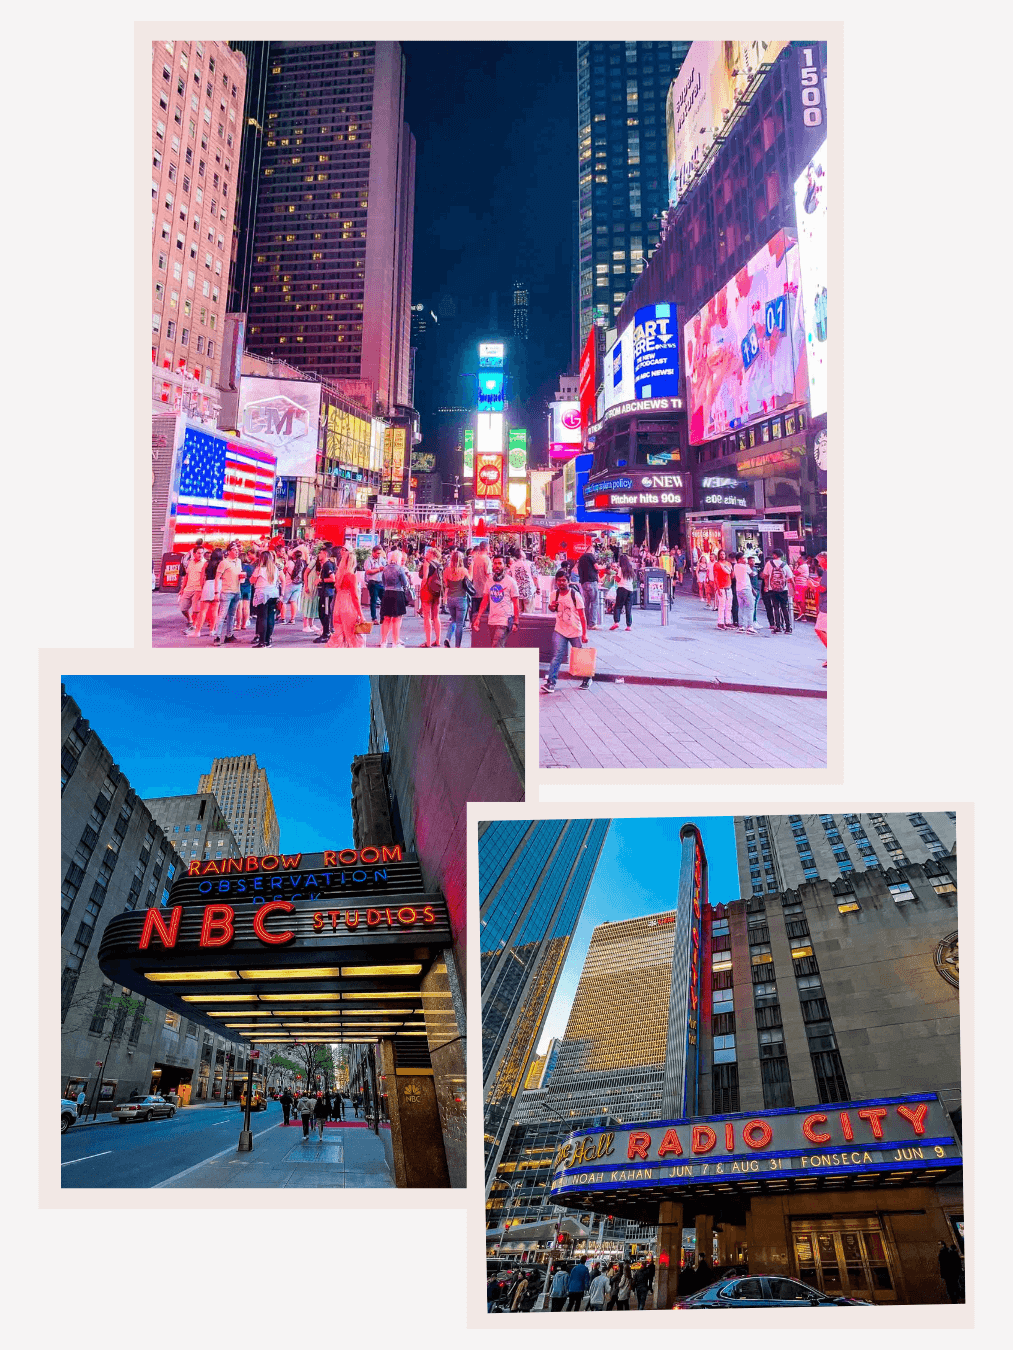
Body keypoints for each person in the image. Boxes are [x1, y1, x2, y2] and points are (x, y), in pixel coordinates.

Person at [542, 570, 590, 693]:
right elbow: (551, 608)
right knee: (556, 656)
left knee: (579, 656)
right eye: (559, 580)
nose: (561, 583)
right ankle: (550, 683)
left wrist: (585, 633)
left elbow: (582, 616)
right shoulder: (554, 594)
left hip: (575, 630)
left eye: (563, 580)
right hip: (560, 630)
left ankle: (587, 678)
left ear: (568, 581)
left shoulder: (575, 595)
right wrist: (551, 607)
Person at [473, 554, 520, 648]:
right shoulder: (489, 581)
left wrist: (516, 621)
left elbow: (515, 602)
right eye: (495, 563)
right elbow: (485, 600)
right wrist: (478, 617)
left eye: (499, 563)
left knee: (496, 646)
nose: (497, 566)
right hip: (492, 620)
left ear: (505, 566)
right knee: (497, 646)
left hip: (504, 621)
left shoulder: (510, 582)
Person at [326, 546, 367, 647]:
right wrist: (361, 615)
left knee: (339, 635)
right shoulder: (351, 576)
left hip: (338, 606)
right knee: (353, 637)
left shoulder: (339, 575)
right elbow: (355, 597)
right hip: (348, 606)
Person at [213, 541, 244, 645]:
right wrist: (216, 592)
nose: (237, 552)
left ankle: (229, 635)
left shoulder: (239, 561)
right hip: (226, 592)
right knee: (222, 615)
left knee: (232, 615)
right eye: (234, 550)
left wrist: (242, 577)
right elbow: (217, 577)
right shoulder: (224, 562)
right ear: (229, 551)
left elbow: (239, 574)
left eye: (237, 550)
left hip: (237, 591)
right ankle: (217, 636)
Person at [250, 550, 281, 648]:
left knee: (262, 617)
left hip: (262, 594)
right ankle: (268, 640)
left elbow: (252, 580)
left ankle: (262, 641)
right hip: (273, 594)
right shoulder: (275, 568)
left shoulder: (260, 569)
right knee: (270, 616)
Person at [379, 549, 410, 647]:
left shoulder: (385, 568)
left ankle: (383, 642)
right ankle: (395, 643)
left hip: (387, 593)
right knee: (396, 619)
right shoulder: (400, 569)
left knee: (386, 618)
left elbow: (383, 582)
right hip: (397, 594)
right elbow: (405, 583)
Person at [191, 547, 223, 637]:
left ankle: (197, 631)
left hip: (208, 585)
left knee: (203, 610)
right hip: (218, 585)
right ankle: (212, 630)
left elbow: (201, 577)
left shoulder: (207, 563)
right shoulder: (222, 564)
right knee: (215, 610)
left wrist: (202, 588)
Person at [443, 550, 472, 647]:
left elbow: (446, 585)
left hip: (450, 598)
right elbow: (470, 580)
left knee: (453, 621)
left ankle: (448, 638)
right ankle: (457, 646)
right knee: (460, 624)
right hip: (461, 598)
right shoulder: (463, 570)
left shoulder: (447, 570)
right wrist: (471, 568)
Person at [762, 549, 793, 634]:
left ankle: (778, 626)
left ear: (774, 555)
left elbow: (765, 575)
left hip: (773, 589)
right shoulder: (785, 565)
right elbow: (790, 577)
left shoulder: (769, 563)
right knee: (784, 608)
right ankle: (788, 627)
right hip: (783, 589)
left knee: (776, 607)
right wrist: (794, 588)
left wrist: (766, 586)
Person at [417, 545, 444, 647]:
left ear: (432, 554)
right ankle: (438, 640)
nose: (426, 554)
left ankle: (428, 642)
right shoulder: (440, 565)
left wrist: (421, 591)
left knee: (427, 617)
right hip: (437, 592)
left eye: (428, 552)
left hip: (427, 591)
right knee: (436, 617)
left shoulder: (427, 563)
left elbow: (424, 578)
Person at [314, 544, 336, 643]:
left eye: (321, 553)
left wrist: (321, 580)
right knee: (322, 613)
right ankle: (326, 633)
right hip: (324, 592)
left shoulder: (327, 565)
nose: (319, 555)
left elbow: (333, 579)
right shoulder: (325, 565)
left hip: (327, 593)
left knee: (325, 613)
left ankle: (326, 634)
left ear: (325, 554)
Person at [610, 553, 637, 631]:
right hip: (630, 590)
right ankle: (629, 626)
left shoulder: (621, 569)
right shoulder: (631, 569)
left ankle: (616, 622)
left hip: (622, 588)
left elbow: (618, 579)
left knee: (618, 606)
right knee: (628, 608)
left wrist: (614, 577)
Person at [732, 552, 757, 632]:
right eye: (743, 558)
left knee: (741, 607)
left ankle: (741, 625)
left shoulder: (735, 566)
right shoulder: (745, 567)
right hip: (746, 588)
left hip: (738, 589)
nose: (745, 560)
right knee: (750, 607)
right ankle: (750, 626)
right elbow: (752, 574)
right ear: (739, 559)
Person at [577, 548, 601, 629]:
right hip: (591, 581)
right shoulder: (590, 555)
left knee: (586, 603)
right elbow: (596, 567)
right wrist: (604, 567)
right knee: (594, 602)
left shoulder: (581, 558)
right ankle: (593, 623)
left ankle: (586, 622)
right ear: (591, 550)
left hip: (583, 582)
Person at [281, 547, 306, 624]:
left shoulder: (289, 563)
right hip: (298, 584)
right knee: (293, 601)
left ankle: (283, 618)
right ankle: (292, 619)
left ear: (294, 555)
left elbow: (284, 571)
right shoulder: (302, 563)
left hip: (289, 583)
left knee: (284, 601)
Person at [364, 545, 386, 624]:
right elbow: (368, 571)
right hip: (373, 582)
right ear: (373, 552)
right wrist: (378, 569)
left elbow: (385, 568)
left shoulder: (382, 560)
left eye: (380, 553)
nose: (378, 555)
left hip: (381, 582)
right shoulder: (368, 560)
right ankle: (374, 618)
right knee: (374, 600)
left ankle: (383, 617)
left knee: (384, 600)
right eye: (377, 553)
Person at [509, 546, 535, 614]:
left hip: (517, 591)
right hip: (528, 591)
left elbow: (510, 578)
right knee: (529, 611)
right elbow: (535, 577)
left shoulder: (512, 566)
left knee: (519, 611)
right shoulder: (530, 564)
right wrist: (537, 587)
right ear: (521, 554)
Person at [713, 548, 733, 629]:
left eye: (723, 554)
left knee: (729, 605)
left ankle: (728, 621)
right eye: (721, 554)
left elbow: (731, 575)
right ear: (719, 555)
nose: (722, 556)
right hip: (721, 587)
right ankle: (720, 622)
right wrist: (717, 588)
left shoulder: (728, 564)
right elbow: (715, 577)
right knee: (722, 605)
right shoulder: (717, 565)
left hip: (728, 586)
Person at [815, 549, 828, 667]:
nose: (819, 564)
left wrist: (813, 585)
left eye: (819, 561)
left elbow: (823, 589)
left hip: (826, 606)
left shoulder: (827, 573)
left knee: (819, 629)